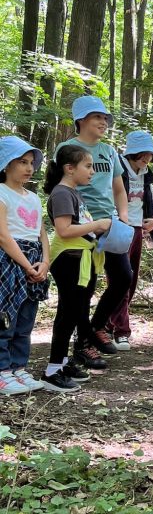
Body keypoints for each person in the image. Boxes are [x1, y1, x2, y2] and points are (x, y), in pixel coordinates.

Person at [55, 95, 130, 356]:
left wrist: (122, 218)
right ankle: (83, 343)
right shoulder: (67, 147)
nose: (104, 122)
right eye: (98, 117)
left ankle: (97, 327)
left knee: (123, 278)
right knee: (84, 286)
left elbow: (119, 189)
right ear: (81, 120)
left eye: (106, 118)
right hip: (81, 227)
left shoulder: (110, 152)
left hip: (109, 224)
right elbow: (61, 184)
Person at [43, 145, 113, 392]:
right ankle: (52, 371)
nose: (92, 171)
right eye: (88, 166)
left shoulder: (74, 193)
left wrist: (100, 230)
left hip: (82, 258)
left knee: (76, 313)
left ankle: (62, 363)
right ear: (69, 169)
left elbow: (80, 226)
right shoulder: (62, 193)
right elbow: (64, 230)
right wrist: (96, 224)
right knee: (67, 315)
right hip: (68, 260)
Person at [0, 136, 50, 395]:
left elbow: (41, 233)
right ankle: (2, 371)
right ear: (6, 165)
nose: (29, 167)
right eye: (22, 162)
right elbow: (3, 235)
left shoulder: (32, 197)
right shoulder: (1, 193)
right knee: (5, 316)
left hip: (34, 259)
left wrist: (44, 263)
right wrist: (25, 265)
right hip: (9, 261)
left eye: (31, 162)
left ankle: (19, 368)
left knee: (26, 318)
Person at [106, 131, 153, 350]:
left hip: (139, 229)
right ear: (132, 153)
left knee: (132, 279)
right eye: (143, 154)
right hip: (119, 229)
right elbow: (108, 197)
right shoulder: (118, 170)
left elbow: (152, 201)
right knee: (121, 279)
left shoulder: (146, 174)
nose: (147, 159)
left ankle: (108, 325)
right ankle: (121, 331)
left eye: (150, 154)